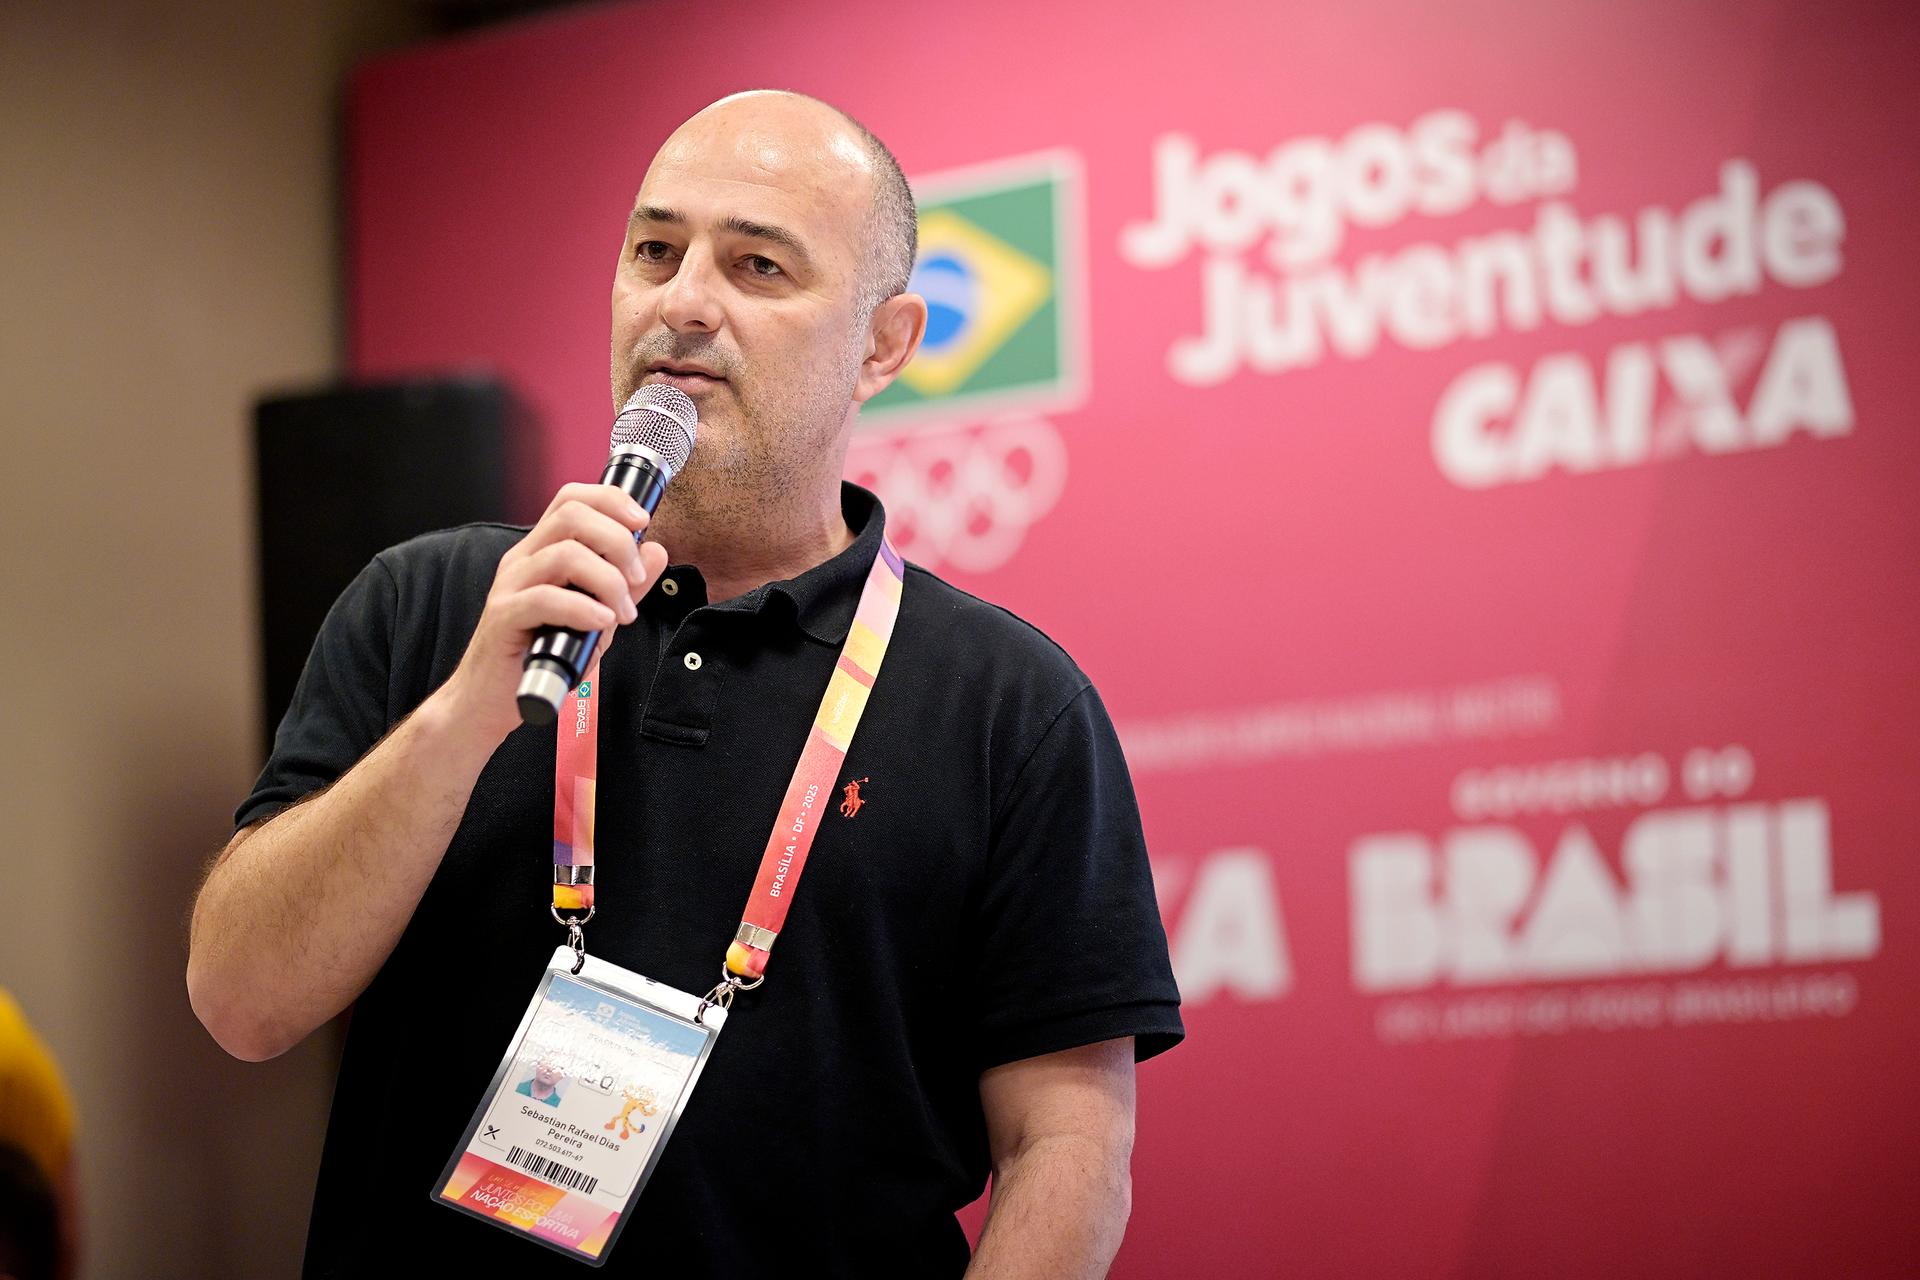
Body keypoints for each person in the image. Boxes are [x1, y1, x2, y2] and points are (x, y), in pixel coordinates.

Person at [188, 90, 1181, 1278]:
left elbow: (1066, 1144)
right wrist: (463, 712)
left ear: (883, 343)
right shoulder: (430, 603)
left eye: (757, 265)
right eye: (655, 252)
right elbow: (240, 1000)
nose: (683, 302)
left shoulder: (1011, 704)